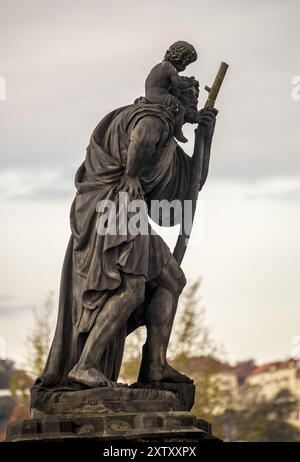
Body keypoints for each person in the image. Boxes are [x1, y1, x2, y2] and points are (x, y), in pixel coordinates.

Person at [145, 41, 198, 143]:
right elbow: (178, 84)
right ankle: (177, 131)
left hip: (149, 95)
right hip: (160, 95)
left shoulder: (159, 66)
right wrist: (190, 83)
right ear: (180, 59)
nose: (185, 67)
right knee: (180, 109)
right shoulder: (169, 68)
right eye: (186, 63)